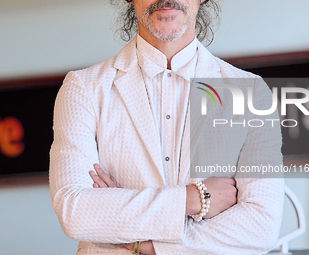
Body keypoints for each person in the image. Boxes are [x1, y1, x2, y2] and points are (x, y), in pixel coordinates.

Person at [49, 0, 285, 254]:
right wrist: (195, 198)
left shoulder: (252, 91)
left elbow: (262, 225)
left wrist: (147, 244)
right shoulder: (82, 88)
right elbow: (75, 212)